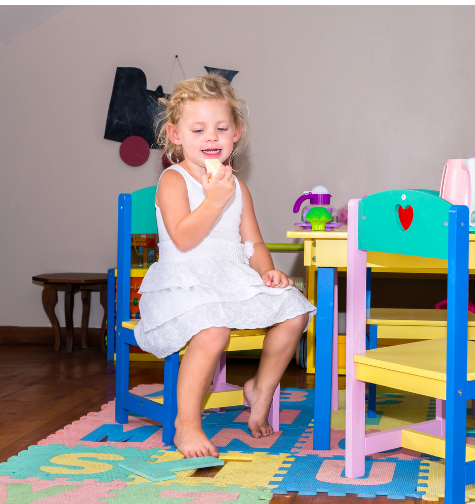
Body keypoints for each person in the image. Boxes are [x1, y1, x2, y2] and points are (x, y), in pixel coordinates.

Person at [134, 73, 316, 459]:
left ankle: (260, 389)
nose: (211, 138)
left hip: (231, 280)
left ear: (236, 133)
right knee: (213, 331)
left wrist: (268, 270)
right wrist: (214, 199)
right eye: (198, 129)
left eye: (221, 128)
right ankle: (187, 423)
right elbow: (183, 237)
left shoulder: (239, 187)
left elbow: (253, 242)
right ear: (177, 134)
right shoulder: (173, 180)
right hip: (184, 282)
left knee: (296, 308)